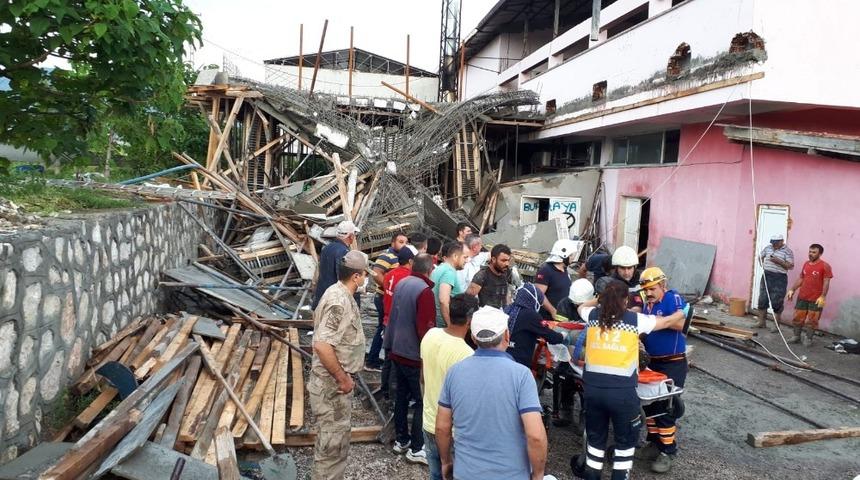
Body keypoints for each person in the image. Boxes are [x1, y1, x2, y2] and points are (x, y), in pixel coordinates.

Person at [572, 280, 684, 480]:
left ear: (603, 299)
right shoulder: (635, 320)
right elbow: (666, 322)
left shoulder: (593, 316)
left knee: (595, 443)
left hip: (593, 392)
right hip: (622, 395)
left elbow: (580, 306)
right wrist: (683, 312)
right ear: (625, 301)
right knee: (624, 444)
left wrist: (598, 300)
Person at [435, 306, 549, 480]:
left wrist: (446, 461)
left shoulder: (455, 372)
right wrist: (538, 473)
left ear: (473, 337)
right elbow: (535, 436)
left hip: (466, 473)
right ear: (506, 336)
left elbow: (442, 427)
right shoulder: (521, 376)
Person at [308, 250, 369, 480]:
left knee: (332, 442)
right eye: (363, 274)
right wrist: (342, 377)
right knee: (332, 448)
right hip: (331, 388)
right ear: (356, 276)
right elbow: (323, 345)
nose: (365, 279)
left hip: (333, 385)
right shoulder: (339, 301)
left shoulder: (337, 291)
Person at [384, 254, 437, 465]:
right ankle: (416, 448)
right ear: (430, 270)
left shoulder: (403, 283)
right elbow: (426, 328)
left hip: (397, 349)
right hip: (413, 354)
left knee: (402, 398)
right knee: (423, 401)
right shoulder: (424, 291)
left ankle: (401, 440)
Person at [420, 294, 477, 480]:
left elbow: (422, 378)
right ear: (470, 320)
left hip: (428, 421)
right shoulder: (467, 354)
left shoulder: (431, 334)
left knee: (435, 474)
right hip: (451, 433)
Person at [638, 267, 688, 474]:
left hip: (672, 362)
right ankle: (654, 442)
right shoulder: (647, 305)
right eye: (646, 289)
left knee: (666, 407)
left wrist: (656, 323)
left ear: (662, 286)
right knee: (649, 405)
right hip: (653, 362)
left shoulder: (672, 298)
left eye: (652, 288)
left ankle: (668, 451)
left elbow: (682, 323)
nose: (649, 293)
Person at [379, 246, 418, 399]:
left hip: (387, 319)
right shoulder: (408, 278)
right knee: (397, 362)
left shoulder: (389, 274)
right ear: (410, 261)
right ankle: (394, 395)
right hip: (398, 323)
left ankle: (385, 390)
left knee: (388, 358)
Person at [366, 232, 409, 372]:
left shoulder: (399, 258)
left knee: (383, 328)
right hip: (383, 297)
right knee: (383, 328)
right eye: (400, 242)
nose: (404, 245)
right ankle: (373, 361)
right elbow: (376, 272)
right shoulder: (387, 256)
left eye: (405, 242)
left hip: (389, 297)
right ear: (392, 243)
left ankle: (373, 359)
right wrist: (389, 288)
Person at [505, 283, 565, 368]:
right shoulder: (531, 315)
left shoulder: (509, 309)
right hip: (519, 361)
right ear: (533, 299)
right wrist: (563, 336)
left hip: (505, 355)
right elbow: (551, 336)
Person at [787, 243, 833, 346]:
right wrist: (792, 289)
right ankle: (796, 337)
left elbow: (826, 282)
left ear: (820, 254)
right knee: (797, 318)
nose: (811, 254)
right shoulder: (806, 264)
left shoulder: (825, 266)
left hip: (816, 299)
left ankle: (808, 339)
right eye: (810, 252)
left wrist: (823, 296)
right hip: (802, 297)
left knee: (812, 320)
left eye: (814, 252)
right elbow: (801, 278)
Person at [312, 220, 358, 310]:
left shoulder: (327, 248)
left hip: (322, 297)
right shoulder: (343, 252)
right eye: (354, 235)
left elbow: (319, 273)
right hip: (334, 301)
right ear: (351, 236)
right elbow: (343, 280)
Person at [754, 234, 795, 332]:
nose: (773, 245)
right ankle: (761, 322)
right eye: (772, 243)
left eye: (776, 243)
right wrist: (763, 264)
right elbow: (761, 256)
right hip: (767, 275)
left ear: (782, 241)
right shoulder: (768, 248)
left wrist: (778, 261)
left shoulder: (788, 252)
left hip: (779, 278)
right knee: (762, 300)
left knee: (777, 302)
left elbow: (790, 266)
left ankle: (776, 326)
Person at [535, 239, 581, 319]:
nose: (573, 258)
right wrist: (552, 311)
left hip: (562, 316)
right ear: (564, 255)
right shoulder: (546, 270)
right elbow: (539, 294)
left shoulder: (564, 269)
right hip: (549, 318)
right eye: (571, 255)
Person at [594, 245, 644, 311]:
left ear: (634, 267)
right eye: (622, 268)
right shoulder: (609, 284)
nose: (626, 272)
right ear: (616, 268)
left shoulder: (643, 280)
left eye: (629, 268)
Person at [430, 241, 467, 327]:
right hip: (443, 326)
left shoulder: (440, 268)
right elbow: (443, 300)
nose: (466, 261)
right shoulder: (449, 272)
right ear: (455, 256)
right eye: (464, 257)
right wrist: (450, 325)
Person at [467, 243, 513, 309]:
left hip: (502, 315)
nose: (507, 264)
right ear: (493, 259)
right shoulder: (482, 276)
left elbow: (506, 293)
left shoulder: (506, 272)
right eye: (503, 260)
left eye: (508, 260)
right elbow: (467, 301)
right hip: (486, 316)